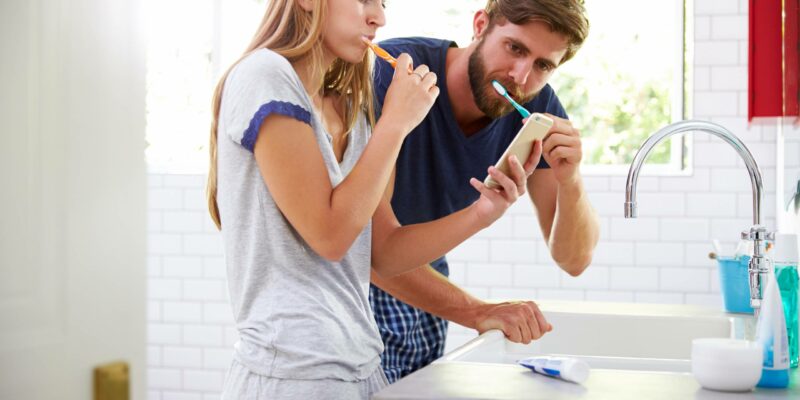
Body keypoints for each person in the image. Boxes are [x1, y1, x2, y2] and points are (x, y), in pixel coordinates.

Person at [206, 0, 536, 398]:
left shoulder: (350, 105)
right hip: (289, 377)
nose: (379, 17)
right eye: (364, 0)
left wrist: (485, 210)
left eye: (382, 3)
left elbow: (383, 252)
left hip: (360, 369)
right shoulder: (263, 74)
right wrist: (396, 123)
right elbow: (330, 237)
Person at [369, 0, 600, 383]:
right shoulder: (394, 71)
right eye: (515, 48)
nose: (521, 76)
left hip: (427, 286)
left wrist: (570, 179)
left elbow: (574, 260)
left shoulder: (537, 104)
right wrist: (477, 312)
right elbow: (368, 249)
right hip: (352, 286)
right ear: (480, 24)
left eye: (543, 65)